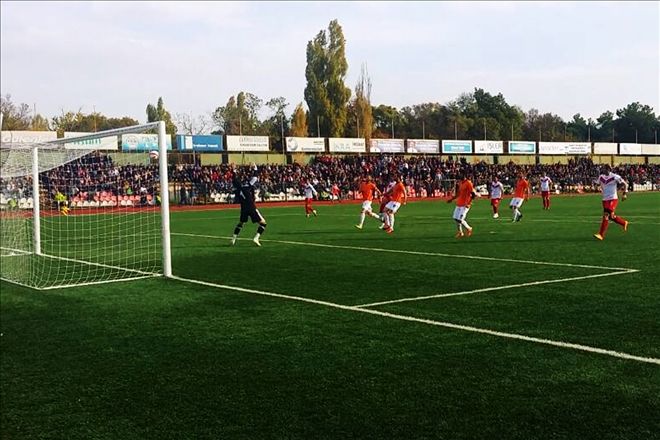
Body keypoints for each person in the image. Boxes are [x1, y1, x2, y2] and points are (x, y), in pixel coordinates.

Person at [230, 170, 267, 247]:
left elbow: (234, 180)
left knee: (241, 223)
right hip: (251, 207)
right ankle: (256, 238)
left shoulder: (236, 191)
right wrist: (255, 169)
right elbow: (255, 178)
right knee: (263, 223)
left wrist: (234, 172)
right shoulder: (246, 187)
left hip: (243, 209)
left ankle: (233, 238)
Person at [593, 164, 629, 241]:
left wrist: (624, 194)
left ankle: (601, 235)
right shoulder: (601, 177)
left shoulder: (615, 176)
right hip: (605, 199)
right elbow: (597, 183)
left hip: (613, 198)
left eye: (604, 169)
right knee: (610, 216)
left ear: (608, 169)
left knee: (606, 215)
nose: (603, 170)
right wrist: (596, 186)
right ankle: (623, 223)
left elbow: (625, 184)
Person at [447, 173, 477, 238]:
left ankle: (469, 228)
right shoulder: (461, 183)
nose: (459, 180)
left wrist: (469, 203)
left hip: (465, 204)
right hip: (459, 203)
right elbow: (459, 193)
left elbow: (473, 194)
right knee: (455, 218)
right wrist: (452, 199)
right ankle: (460, 232)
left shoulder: (469, 183)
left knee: (460, 219)